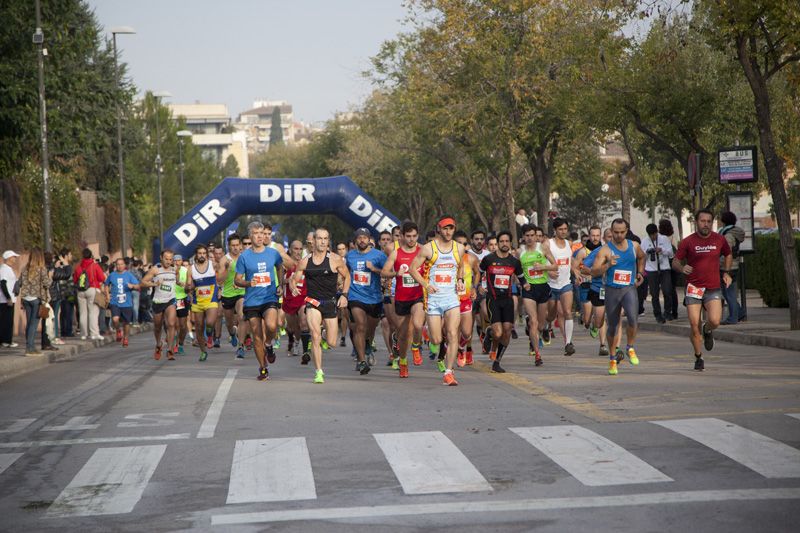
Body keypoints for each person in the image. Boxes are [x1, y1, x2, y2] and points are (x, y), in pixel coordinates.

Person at [409, 214, 466, 386]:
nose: (448, 232)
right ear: (438, 229)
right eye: (445, 228)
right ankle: (425, 336)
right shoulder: (429, 248)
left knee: (453, 333)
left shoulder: (459, 248)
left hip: (451, 297)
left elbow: (461, 267)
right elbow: (412, 269)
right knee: (436, 340)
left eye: (451, 228)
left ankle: (448, 373)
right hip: (433, 299)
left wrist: (460, 280)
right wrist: (426, 285)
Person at [672, 209, 733, 371]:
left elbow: (728, 254)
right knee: (694, 325)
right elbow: (675, 261)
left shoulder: (719, 239)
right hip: (693, 288)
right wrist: (682, 268)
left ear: (712, 223)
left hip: (713, 288)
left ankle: (707, 330)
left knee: (715, 321)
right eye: (702, 221)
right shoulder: (688, 241)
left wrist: (726, 272)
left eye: (708, 221)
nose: (705, 224)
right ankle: (698, 356)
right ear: (696, 222)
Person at [234, 221, 295, 380]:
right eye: (256, 233)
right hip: (252, 301)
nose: (260, 236)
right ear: (250, 236)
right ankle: (263, 367)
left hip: (269, 297)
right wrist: (249, 283)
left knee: (272, 325)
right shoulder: (244, 257)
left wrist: (280, 284)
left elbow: (280, 267)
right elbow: (237, 280)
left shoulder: (273, 253)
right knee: (256, 336)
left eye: (262, 233)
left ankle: (268, 344)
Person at [290, 227, 350, 384]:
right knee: (314, 336)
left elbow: (347, 276)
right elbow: (293, 279)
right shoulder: (305, 261)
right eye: (320, 238)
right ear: (313, 241)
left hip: (330, 302)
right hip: (312, 302)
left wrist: (344, 295)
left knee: (332, 343)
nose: (323, 242)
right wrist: (293, 286)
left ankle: (325, 335)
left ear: (328, 241)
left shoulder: (335, 259)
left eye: (325, 239)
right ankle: (318, 372)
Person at [590, 218, 646, 375]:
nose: (619, 235)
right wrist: (608, 265)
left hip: (628, 288)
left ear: (626, 231)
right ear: (611, 231)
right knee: (613, 326)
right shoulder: (605, 250)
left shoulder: (634, 246)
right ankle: (612, 358)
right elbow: (594, 271)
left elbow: (642, 257)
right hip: (612, 291)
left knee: (633, 319)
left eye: (622, 232)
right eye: (616, 232)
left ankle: (630, 347)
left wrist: (640, 273)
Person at [381, 221, 426, 377]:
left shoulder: (423, 251)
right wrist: (395, 273)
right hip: (401, 298)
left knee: (418, 325)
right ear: (402, 236)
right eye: (408, 236)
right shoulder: (396, 253)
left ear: (418, 235)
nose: (412, 239)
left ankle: (416, 346)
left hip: (418, 296)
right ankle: (403, 362)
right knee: (403, 334)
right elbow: (384, 272)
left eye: (414, 236)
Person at [479, 231, 526, 373]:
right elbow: (478, 273)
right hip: (493, 299)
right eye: (502, 241)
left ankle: (497, 362)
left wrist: (526, 285)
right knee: (498, 333)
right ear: (498, 243)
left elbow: (521, 278)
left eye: (507, 241)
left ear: (510, 243)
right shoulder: (488, 259)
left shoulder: (514, 262)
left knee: (507, 331)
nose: (504, 244)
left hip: (508, 300)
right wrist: (478, 286)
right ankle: (490, 332)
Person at [345, 228, 387, 375]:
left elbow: (388, 272)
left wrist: (374, 269)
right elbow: (345, 272)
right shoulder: (350, 256)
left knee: (370, 329)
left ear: (369, 239)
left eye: (365, 237)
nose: (362, 240)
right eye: (359, 238)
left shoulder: (379, 255)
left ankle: (368, 343)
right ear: (355, 240)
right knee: (360, 326)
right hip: (355, 296)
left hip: (374, 298)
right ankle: (362, 361)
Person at [519, 225, 558, 365]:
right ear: (523, 237)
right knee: (534, 322)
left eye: (532, 235)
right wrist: (522, 282)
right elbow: (516, 271)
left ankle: (535, 331)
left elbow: (555, 265)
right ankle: (537, 354)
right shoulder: (520, 252)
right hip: (529, 289)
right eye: (527, 235)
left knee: (540, 325)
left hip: (542, 287)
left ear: (536, 236)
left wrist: (543, 267)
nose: (530, 238)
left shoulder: (543, 248)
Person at [543, 218, 581, 356]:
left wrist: (575, 271)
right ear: (555, 230)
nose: (563, 232)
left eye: (565, 229)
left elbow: (569, 261)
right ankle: (546, 326)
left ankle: (568, 343)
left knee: (567, 312)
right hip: (550, 285)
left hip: (565, 284)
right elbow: (538, 261)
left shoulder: (569, 244)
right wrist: (548, 271)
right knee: (551, 315)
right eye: (560, 229)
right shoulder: (547, 244)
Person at [184, 243, 225, 362]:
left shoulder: (213, 265)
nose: (202, 255)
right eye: (199, 253)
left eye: (204, 253)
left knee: (210, 322)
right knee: (199, 328)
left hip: (211, 300)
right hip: (198, 301)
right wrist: (188, 288)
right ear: (196, 255)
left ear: (206, 254)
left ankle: (210, 334)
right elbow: (188, 286)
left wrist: (220, 288)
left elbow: (222, 277)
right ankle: (203, 351)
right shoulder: (191, 269)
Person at [140, 250, 178, 358]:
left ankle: (170, 350)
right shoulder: (155, 269)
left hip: (170, 300)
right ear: (161, 258)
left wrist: (180, 282)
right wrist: (155, 284)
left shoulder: (174, 269)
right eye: (166, 259)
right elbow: (143, 282)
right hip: (158, 301)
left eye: (170, 259)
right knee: (157, 326)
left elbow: (177, 278)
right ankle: (158, 344)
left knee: (171, 324)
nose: (168, 261)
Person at [453, 230, 479, 367]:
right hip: (451, 300)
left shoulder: (471, 259)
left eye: (464, 244)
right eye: (459, 243)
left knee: (467, 333)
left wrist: (474, 287)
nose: (462, 246)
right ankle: (449, 352)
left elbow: (477, 273)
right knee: (452, 331)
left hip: (465, 299)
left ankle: (461, 347)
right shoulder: (448, 258)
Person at [19, 248, 51, 355]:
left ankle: (31, 346)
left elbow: (20, 282)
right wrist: (50, 277)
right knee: (33, 324)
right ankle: (29, 348)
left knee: (29, 324)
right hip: (36, 299)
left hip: (25, 299)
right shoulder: (42, 269)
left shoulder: (25, 268)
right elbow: (47, 283)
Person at [220, 234, 248, 358]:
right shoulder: (224, 260)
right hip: (227, 294)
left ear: (240, 245)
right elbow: (219, 280)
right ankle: (232, 334)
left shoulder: (245, 257)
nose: (235, 248)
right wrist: (226, 269)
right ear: (229, 246)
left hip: (241, 293)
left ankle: (241, 346)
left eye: (237, 245)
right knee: (229, 323)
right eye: (233, 245)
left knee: (242, 316)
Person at [104, 257, 140, 350]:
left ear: (124, 265)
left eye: (121, 264)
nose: (119, 266)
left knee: (126, 323)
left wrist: (132, 286)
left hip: (126, 303)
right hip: (115, 302)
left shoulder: (129, 275)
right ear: (116, 266)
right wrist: (107, 295)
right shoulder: (112, 275)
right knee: (115, 319)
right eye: (118, 264)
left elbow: (138, 285)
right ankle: (118, 330)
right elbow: (106, 284)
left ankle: (126, 338)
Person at [642, 223, 675, 323]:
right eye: (651, 235)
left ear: (657, 232)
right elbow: (641, 256)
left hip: (664, 268)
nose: (653, 236)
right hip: (651, 270)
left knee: (667, 291)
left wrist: (661, 250)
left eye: (654, 234)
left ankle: (667, 312)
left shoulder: (664, 239)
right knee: (654, 294)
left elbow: (671, 253)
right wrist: (647, 252)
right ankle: (658, 314)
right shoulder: (644, 241)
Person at [283, 240, 309, 360]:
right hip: (289, 299)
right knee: (293, 327)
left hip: (303, 297)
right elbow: (279, 279)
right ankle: (294, 339)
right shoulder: (284, 264)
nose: (298, 251)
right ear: (290, 250)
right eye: (295, 249)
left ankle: (304, 349)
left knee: (303, 322)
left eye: (300, 249)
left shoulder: (305, 263)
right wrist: (287, 280)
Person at [718, 211, 746, 324]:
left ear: (724, 221)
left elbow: (727, 253)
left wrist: (724, 268)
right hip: (734, 265)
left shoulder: (728, 235)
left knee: (728, 294)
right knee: (728, 293)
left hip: (727, 267)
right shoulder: (734, 232)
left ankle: (733, 317)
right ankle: (739, 312)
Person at [73, 248, 106, 341]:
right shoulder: (94, 265)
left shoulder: (78, 267)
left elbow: (75, 280)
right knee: (93, 312)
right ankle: (94, 333)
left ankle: (83, 334)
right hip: (92, 289)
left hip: (80, 291)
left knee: (83, 313)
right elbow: (102, 278)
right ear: (91, 255)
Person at [659, 219, 679, 320]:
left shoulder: (661, 239)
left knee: (666, 290)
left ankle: (668, 311)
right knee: (672, 289)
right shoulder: (673, 238)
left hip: (665, 265)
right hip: (674, 265)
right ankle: (674, 312)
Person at [0, 251, 20, 348]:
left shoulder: (8, 268)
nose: (15, 259)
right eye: (14, 257)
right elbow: (3, 283)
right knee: (6, 321)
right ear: (9, 258)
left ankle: (5, 340)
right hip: (5, 300)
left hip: (8, 299)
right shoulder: (4, 269)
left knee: (7, 320)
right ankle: (6, 341)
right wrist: (8, 297)